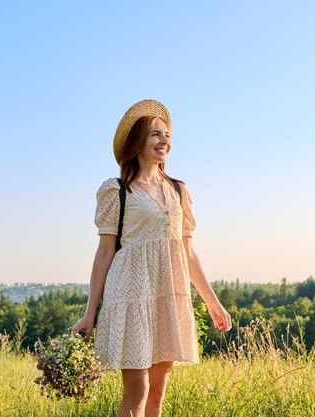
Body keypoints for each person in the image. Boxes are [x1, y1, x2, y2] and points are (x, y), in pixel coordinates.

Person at [72, 99, 231, 417]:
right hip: (130, 293)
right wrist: (91, 313)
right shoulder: (117, 190)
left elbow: (188, 252)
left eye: (167, 134)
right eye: (156, 134)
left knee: (157, 392)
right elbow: (104, 253)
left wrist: (213, 303)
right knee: (138, 390)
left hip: (168, 295)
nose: (164, 141)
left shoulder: (179, 191)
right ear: (137, 142)